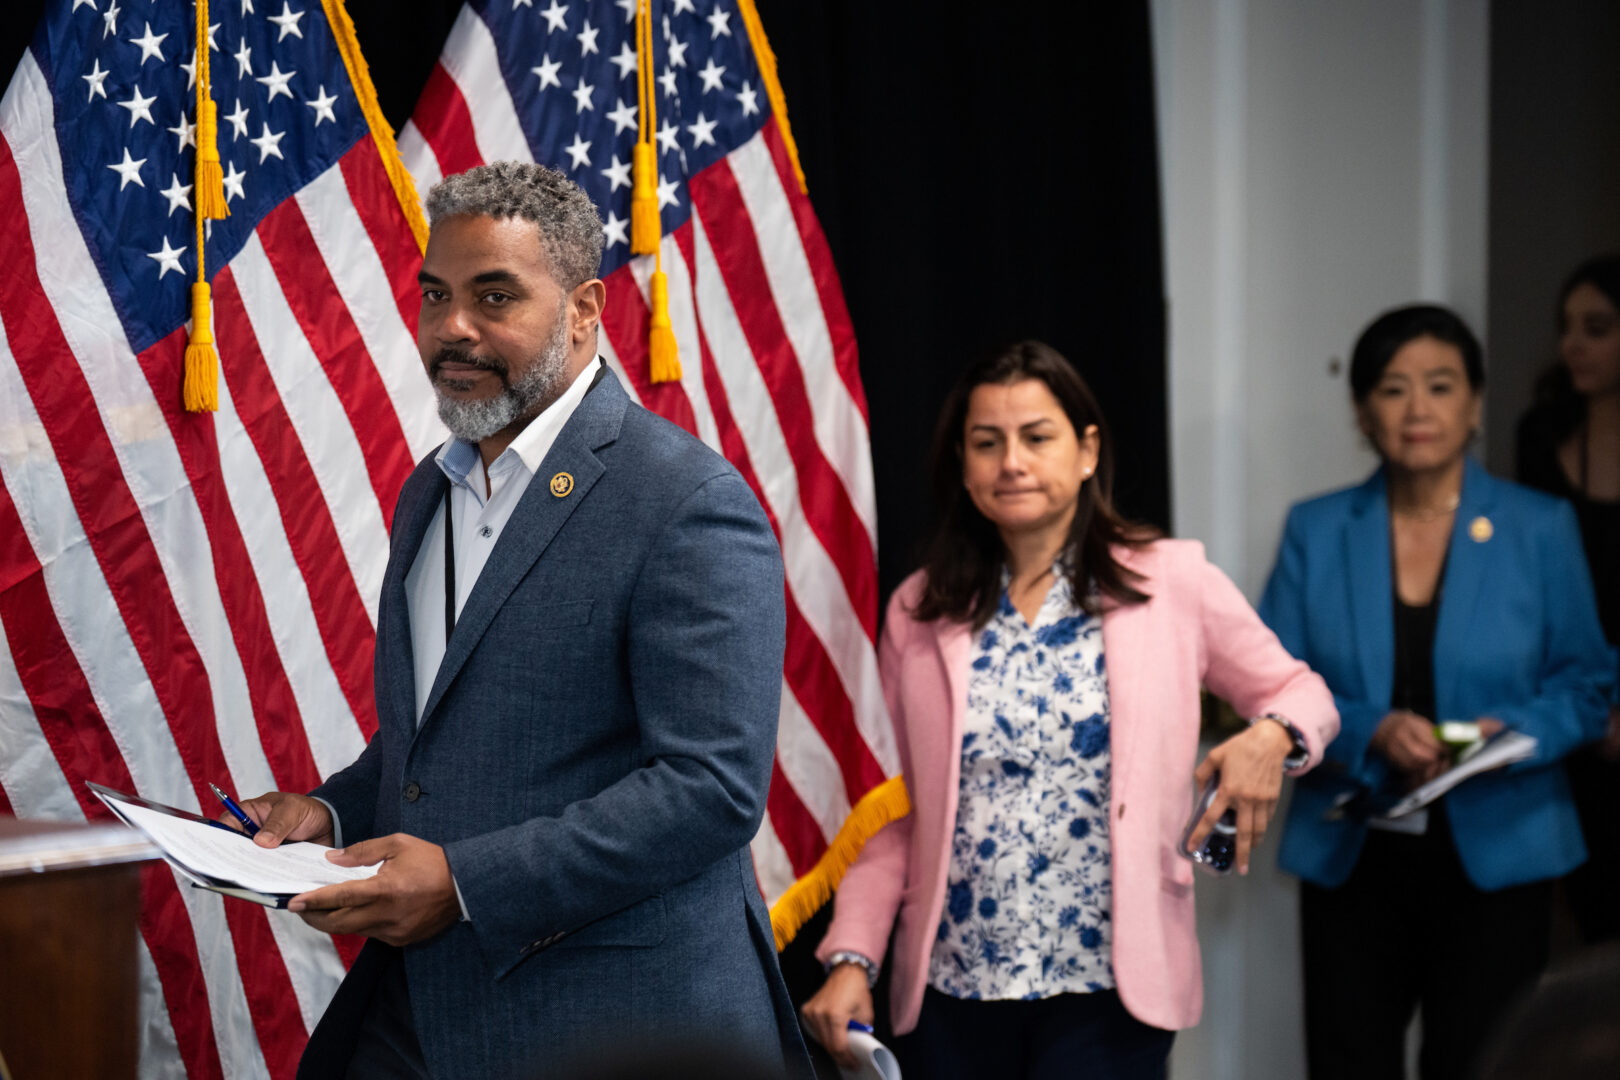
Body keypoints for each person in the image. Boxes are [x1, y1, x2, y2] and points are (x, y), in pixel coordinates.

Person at [230, 162, 811, 1079]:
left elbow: (710, 789)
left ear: (584, 308)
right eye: (436, 295)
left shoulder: (689, 501)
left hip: (614, 1025)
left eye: (494, 295)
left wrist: (464, 886)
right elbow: (444, 737)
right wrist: (331, 812)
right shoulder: (430, 490)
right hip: (424, 1011)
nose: (452, 328)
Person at [800, 341, 1339, 1080]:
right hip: (958, 986)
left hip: (1109, 988)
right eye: (986, 443)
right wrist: (851, 954)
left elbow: (1302, 691)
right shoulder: (921, 610)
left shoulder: (1171, 579)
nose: (1010, 462)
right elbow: (894, 809)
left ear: (1087, 451)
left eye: (1037, 437)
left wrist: (1271, 737)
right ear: (962, 463)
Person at [1258, 304, 1617, 1080]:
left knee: (1485, 1063)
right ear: (1361, 410)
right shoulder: (1316, 531)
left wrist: (1508, 730)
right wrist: (1368, 731)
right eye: (1393, 388)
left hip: (1501, 851)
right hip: (1353, 854)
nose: (1418, 409)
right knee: (1348, 1063)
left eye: (1441, 385)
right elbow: (1262, 690)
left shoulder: (1538, 526)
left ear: (1476, 404)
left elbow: (1588, 686)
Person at [1515, 255, 1620, 943]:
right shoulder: (1542, 434)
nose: (1572, 345)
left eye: (1597, 327)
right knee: (1590, 903)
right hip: (1573, 691)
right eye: (1567, 328)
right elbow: (1532, 580)